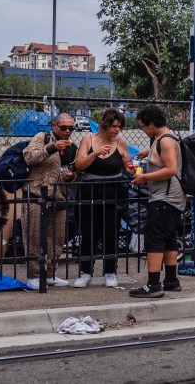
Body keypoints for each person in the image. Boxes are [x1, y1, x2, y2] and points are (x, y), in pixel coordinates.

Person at [72, 108, 132, 289]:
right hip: (90, 189)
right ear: (104, 125)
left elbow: (127, 165)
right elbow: (79, 165)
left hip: (113, 190)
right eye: (113, 126)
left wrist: (130, 168)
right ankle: (85, 272)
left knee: (111, 231)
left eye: (119, 127)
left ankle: (110, 271)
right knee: (88, 231)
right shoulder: (88, 139)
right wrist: (95, 153)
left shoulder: (121, 142)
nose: (116, 130)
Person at [129, 105, 185, 298]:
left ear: (151, 124)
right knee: (169, 239)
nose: (143, 130)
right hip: (171, 199)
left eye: (143, 126)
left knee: (154, 238)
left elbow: (171, 169)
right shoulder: (164, 139)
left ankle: (153, 285)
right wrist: (148, 151)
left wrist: (144, 178)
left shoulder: (165, 141)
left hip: (164, 198)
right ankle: (171, 280)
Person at [21, 113, 77, 289]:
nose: (67, 131)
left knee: (57, 239)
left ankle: (50, 273)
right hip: (36, 195)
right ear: (54, 126)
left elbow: (76, 172)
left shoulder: (72, 147)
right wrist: (51, 148)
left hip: (59, 196)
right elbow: (29, 157)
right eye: (64, 128)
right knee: (35, 237)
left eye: (71, 128)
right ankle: (34, 276)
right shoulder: (42, 138)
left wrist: (71, 177)